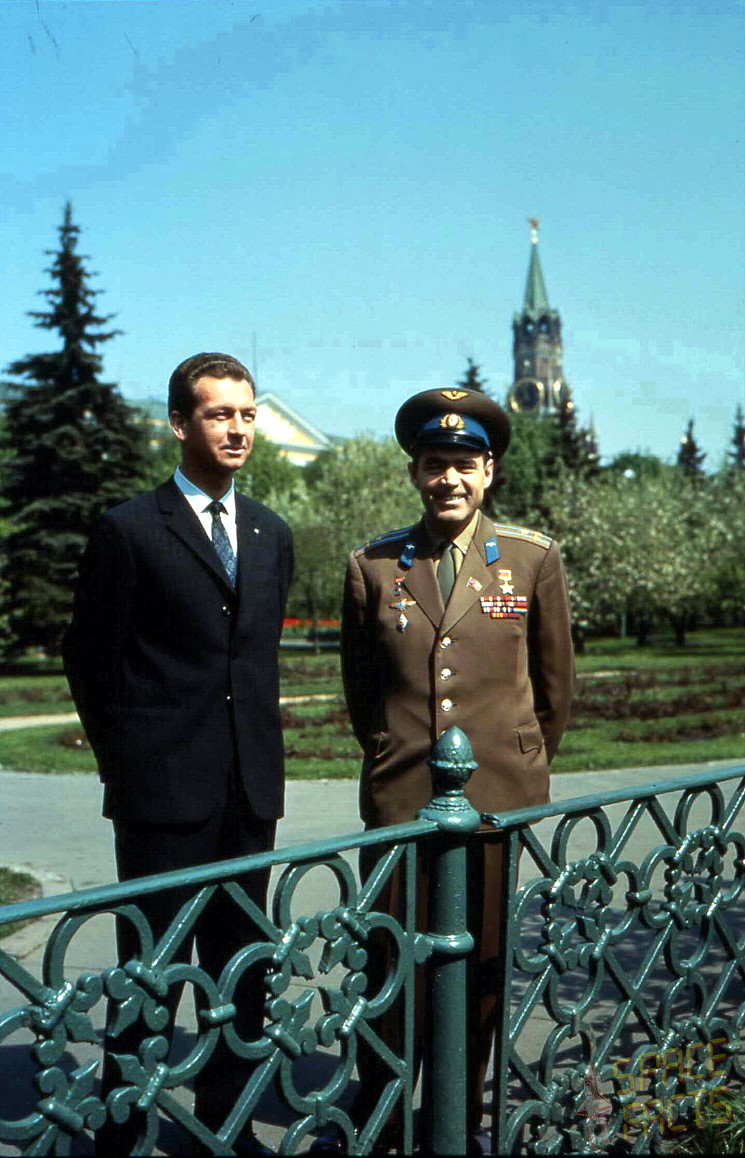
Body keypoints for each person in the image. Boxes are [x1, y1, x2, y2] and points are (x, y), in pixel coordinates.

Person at [63, 352, 294, 1156]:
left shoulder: (270, 533)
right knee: (149, 977)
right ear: (178, 424)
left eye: (247, 413)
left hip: (249, 793)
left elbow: (252, 661)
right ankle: (125, 1133)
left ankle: (226, 1129)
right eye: (218, 413)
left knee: (242, 975)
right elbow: (89, 660)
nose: (238, 429)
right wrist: (128, 765)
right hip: (161, 798)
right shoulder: (129, 529)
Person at [339, 387, 574, 1154]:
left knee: (481, 964)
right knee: (388, 963)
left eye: (463, 465)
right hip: (402, 795)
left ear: (488, 472)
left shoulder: (531, 559)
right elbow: (360, 688)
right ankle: (380, 1116)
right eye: (435, 464)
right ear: (415, 473)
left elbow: (555, 686)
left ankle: (460, 1114)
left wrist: (518, 760)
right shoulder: (374, 565)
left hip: (495, 797)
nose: (449, 479)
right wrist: (389, 753)